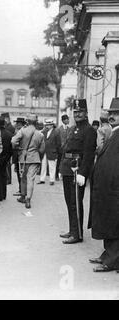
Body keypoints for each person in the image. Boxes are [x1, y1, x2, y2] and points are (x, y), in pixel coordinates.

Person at [59, 99, 97, 244]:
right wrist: (61, 169)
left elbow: (88, 154)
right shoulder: (74, 128)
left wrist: (83, 173)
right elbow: (66, 150)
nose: (77, 114)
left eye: (80, 112)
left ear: (86, 113)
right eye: (75, 112)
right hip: (68, 168)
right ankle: (72, 229)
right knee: (69, 202)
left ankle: (77, 234)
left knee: (75, 202)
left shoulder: (89, 131)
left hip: (77, 170)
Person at [88, 98, 119, 272]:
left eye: (116, 113)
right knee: (109, 222)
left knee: (114, 223)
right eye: (111, 113)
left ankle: (112, 260)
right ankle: (107, 255)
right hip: (108, 188)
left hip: (114, 188)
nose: (112, 116)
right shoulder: (113, 132)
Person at [11, 114, 45, 209]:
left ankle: (22, 196)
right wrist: (38, 157)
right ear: (36, 122)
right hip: (35, 158)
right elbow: (42, 150)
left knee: (23, 178)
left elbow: (13, 141)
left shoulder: (23, 130)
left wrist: (17, 147)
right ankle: (28, 199)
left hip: (23, 157)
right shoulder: (40, 134)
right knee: (31, 179)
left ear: (27, 121)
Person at [0, 116, 13, 201]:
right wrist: (8, 157)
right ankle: (4, 194)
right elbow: (11, 148)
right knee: (3, 175)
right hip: (6, 158)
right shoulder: (9, 134)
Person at [38, 119, 61, 186]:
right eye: (46, 125)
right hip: (45, 151)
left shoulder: (56, 132)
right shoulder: (44, 132)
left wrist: (56, 151)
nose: (47, 126)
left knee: (52, 166)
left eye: (48, 125)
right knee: (43, 165)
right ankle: (42, 179)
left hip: (52, 151)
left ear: (52, 125)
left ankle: (52, 180)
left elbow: (58, 143)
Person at [12, 117, 26, 196]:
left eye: (17, 123)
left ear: (20, 124)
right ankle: (22, 189)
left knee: (20, 172)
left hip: (20, 153)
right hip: (20, 154)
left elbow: (14, 141)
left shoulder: (21, 131)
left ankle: (21, 190)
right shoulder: (21, 130)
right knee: (20, 172)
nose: (16, 124)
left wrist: (15, 146)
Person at [56, 114, 70, 180]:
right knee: (59, 161)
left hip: (67, 148)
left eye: (68, 119)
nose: (68, 120)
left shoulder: (69, 129)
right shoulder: (59, 129)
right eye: (66, 119)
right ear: (63, 120)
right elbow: (58, 138)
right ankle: (56, 175)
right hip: (60, 148)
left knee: (65, 161)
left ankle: (63, 174)